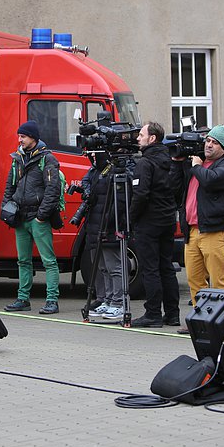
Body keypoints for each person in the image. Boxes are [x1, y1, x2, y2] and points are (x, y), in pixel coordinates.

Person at [170, 125, 224, 332]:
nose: (209, 145)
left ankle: (223, 322)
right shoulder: (197, 165)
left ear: (223, 147)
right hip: (192, 231)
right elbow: (176, 189)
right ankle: (200, 321)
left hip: (215, 231)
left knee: (219, 280)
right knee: (195, 279)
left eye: (214, 142)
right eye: (207, 141)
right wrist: (178, 165)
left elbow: (211, 181)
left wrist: (197, 166)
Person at [2, 120, 62, 314]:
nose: (19, 140)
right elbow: (9, 186)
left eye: (23, 136)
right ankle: (22, 299)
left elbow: (53, 190)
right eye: (19, 136)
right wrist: (6, 208)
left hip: (38, 218)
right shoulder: (18, 158)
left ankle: (52, 300)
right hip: (21, 217)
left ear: (33, 138)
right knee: (23, 261)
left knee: (49, 261)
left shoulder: (48, 159)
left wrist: (41, 217)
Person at [128, 122, 181, 328]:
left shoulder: (145, 163)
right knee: (166, 267)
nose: (137, 138)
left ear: (152, 139)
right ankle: (172, 313)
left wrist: (132, 218)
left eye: (141, 135)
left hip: (149, 221)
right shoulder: (169, 160)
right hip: (168, 219)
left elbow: (140, 194)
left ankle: (153, 314)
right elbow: (176, 189)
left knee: (150, 269)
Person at [78, 152, 128, 321]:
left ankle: (118, 303)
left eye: (94, 153)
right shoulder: (97, 171)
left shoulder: (114, 170)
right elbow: (87, 182)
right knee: (103, 267)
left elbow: (120, 202)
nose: (91, 155)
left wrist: (109, 223)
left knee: (114, 267)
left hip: (109, 226)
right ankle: (107, 300)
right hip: (95, 224)